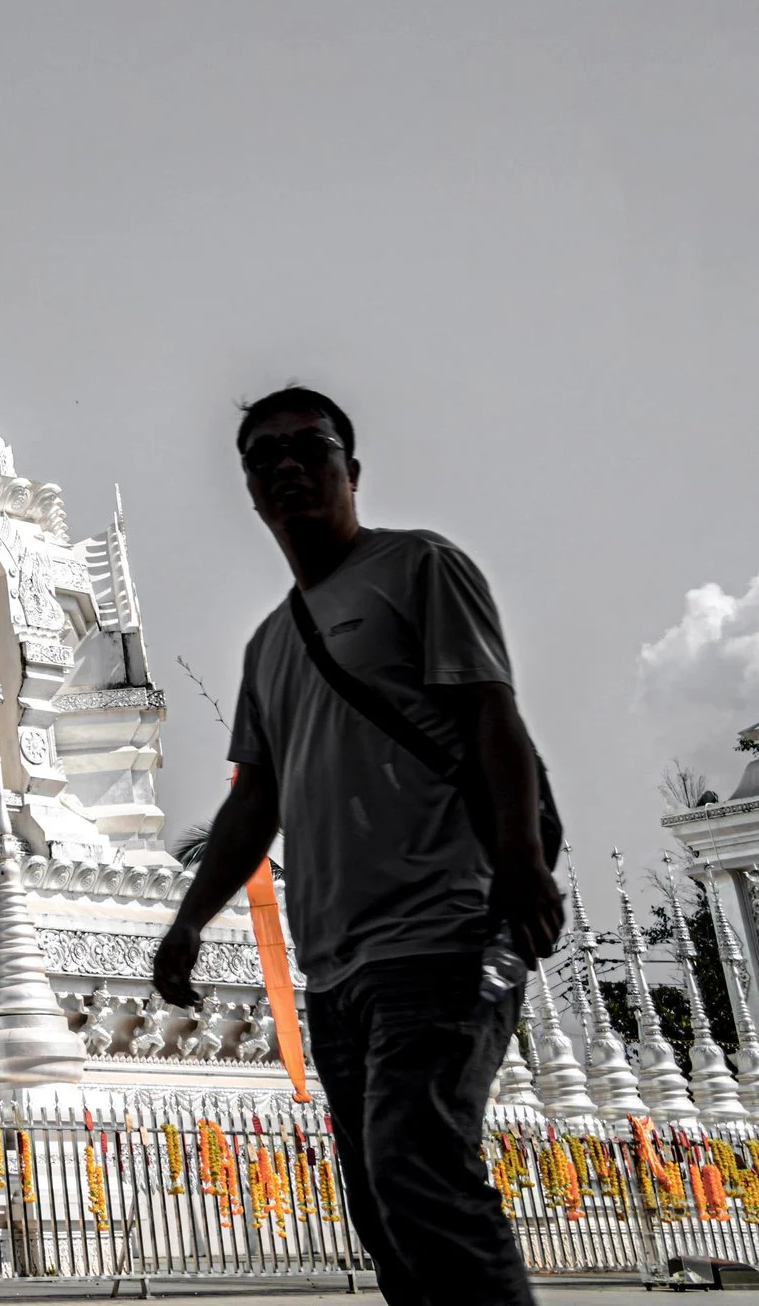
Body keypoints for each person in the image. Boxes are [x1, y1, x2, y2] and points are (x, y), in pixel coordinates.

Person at [153, 386, 561, 1306]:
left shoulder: (419, 567)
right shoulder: (268, 645)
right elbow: (253, 804)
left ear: (352, 468)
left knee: (418, 1171)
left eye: (310, 447)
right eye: (266, 456)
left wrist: (525, 864)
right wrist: (188, 921)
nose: (288, 466)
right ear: (250, 489)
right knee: (384, 1205)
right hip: (335, 966)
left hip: (444, 927)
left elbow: (491, 713)